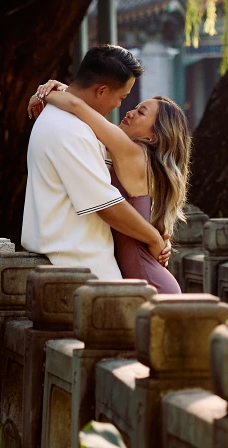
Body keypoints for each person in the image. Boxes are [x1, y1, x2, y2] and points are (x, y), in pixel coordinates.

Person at [23, 45, 169, 281]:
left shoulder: (73, 123)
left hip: (85, 264)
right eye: (122, 98)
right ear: (102, 90)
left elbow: (76, 104)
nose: (121, 107)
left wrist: (50, 91)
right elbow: (106, 205)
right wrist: (155, 239)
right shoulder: (70, 130)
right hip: (82, 266)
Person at [32, 84, 191, 295]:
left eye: (141, 112)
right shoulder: (139, 160)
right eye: (135, 107)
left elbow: (77, 105)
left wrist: (43, 93)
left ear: (154, 136)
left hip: (150, 285)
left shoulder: (134, 153)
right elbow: (84, 111)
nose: (130, 112)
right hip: (147, 282)